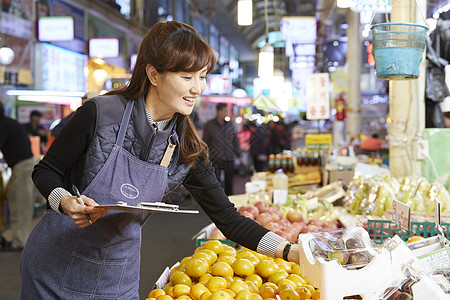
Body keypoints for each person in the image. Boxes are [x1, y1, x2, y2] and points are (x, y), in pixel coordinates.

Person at [21, 21, 299, 299]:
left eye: (202, 76)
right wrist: (64, 200)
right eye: (187, 77)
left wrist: (289, 250)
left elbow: (228, 219)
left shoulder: (186, 148)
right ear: (154, 74)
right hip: (52, 273)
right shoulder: (99, 114)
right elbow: (46, 171)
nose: (198, 88)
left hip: (117, 277)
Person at [0, 102, 37, 251]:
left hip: (23, 167)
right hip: (23, 166)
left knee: (21, 205)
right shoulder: (9, 123)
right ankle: (17, 238)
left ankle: (20, 241)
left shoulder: (3, 125)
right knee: (15, 200)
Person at [202, 103, 242, 195]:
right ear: (219, 111)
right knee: (216, 183)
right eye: (225, 111)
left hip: (229, 157)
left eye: (227, 111)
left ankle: (229, 201)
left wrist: (239, 154)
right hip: (215, 158)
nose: (226, 113)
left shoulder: (230, 125)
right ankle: (218, 203)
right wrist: (205, 156)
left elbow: (235, 140)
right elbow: (205, 142)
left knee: (229, 183)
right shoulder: (210, 125)